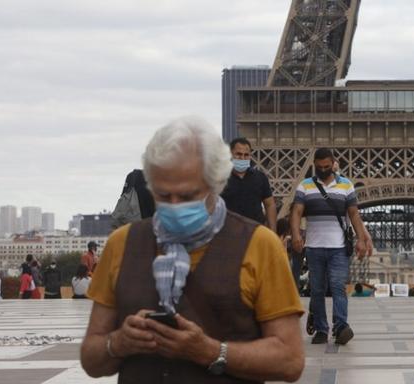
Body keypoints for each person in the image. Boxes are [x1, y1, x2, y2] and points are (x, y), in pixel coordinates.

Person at [79, 117, 306, 382]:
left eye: (187, 196)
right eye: (163, 195)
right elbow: (91, 360)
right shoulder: (122, 243)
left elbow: (290, 361)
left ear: (215, 185)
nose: (174, 205)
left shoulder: (260, 245)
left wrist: (211, 351)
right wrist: (118, 342)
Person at [290, 148, 374, 345]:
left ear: (333, 163)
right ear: (314, 165)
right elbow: (296, 212)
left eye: (327, 167)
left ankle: (340, 326)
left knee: (337, 286)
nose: (323, 170)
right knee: (317, 289)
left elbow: (354, 214)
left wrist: (361, 239)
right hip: (314, 246)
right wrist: (295, 234)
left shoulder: (346, 185)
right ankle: (321, 328)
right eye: (319, 167)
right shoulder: (305, 186)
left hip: (338, 247)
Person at [221, 137, 277, 229]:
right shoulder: (220, 178)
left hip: (255, 232)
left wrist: (273, 231)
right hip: (229, 232)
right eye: (238, 154)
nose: (242, 158)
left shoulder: (260, 177)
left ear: (250, 155)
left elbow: (270, 204)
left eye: (246, 155)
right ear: (230, 154)